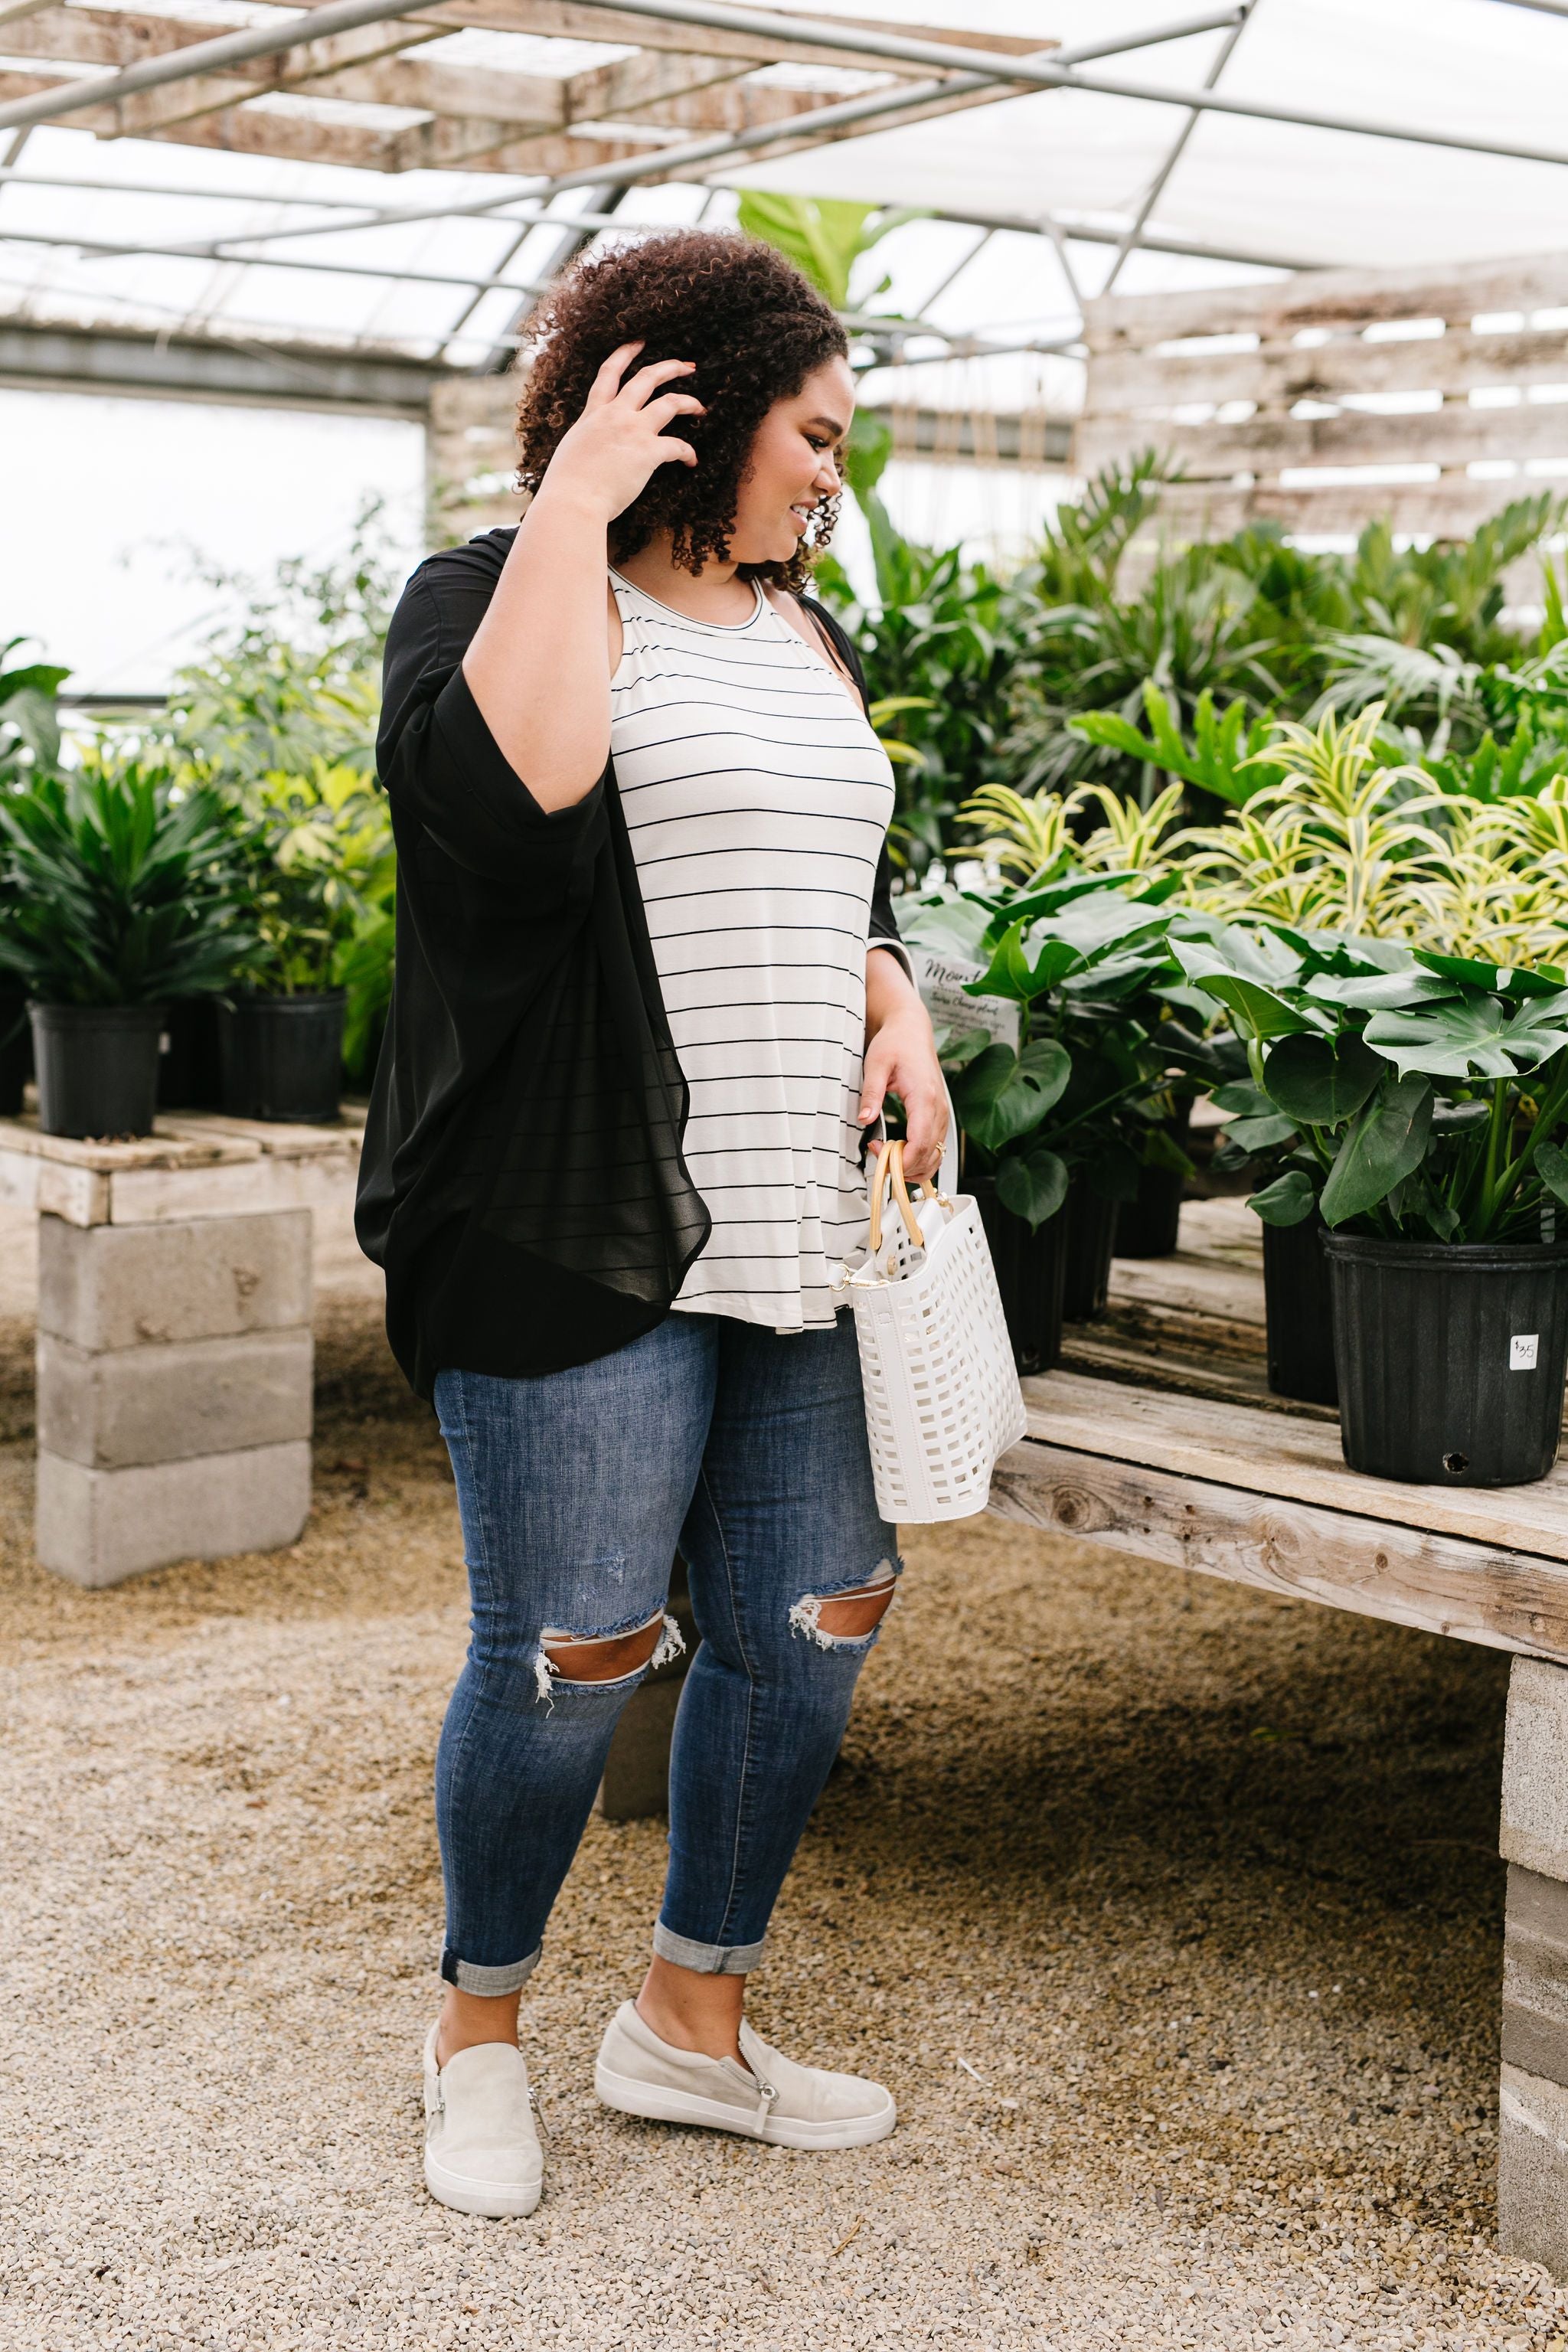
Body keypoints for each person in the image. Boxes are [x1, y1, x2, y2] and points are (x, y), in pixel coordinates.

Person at [357, 228, 946, 2219]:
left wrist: (897, 1000)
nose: (834, 472)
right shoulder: (490, 593)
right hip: (573, 1227)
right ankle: (480, 2028)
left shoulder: (796, 625)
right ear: (683, 399)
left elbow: (828, 862)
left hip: (794, 1231)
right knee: (572, 1652)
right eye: (817, 431)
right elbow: (510, 809)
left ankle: (690, 2023)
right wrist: (573, 510)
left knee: (811, 1622)